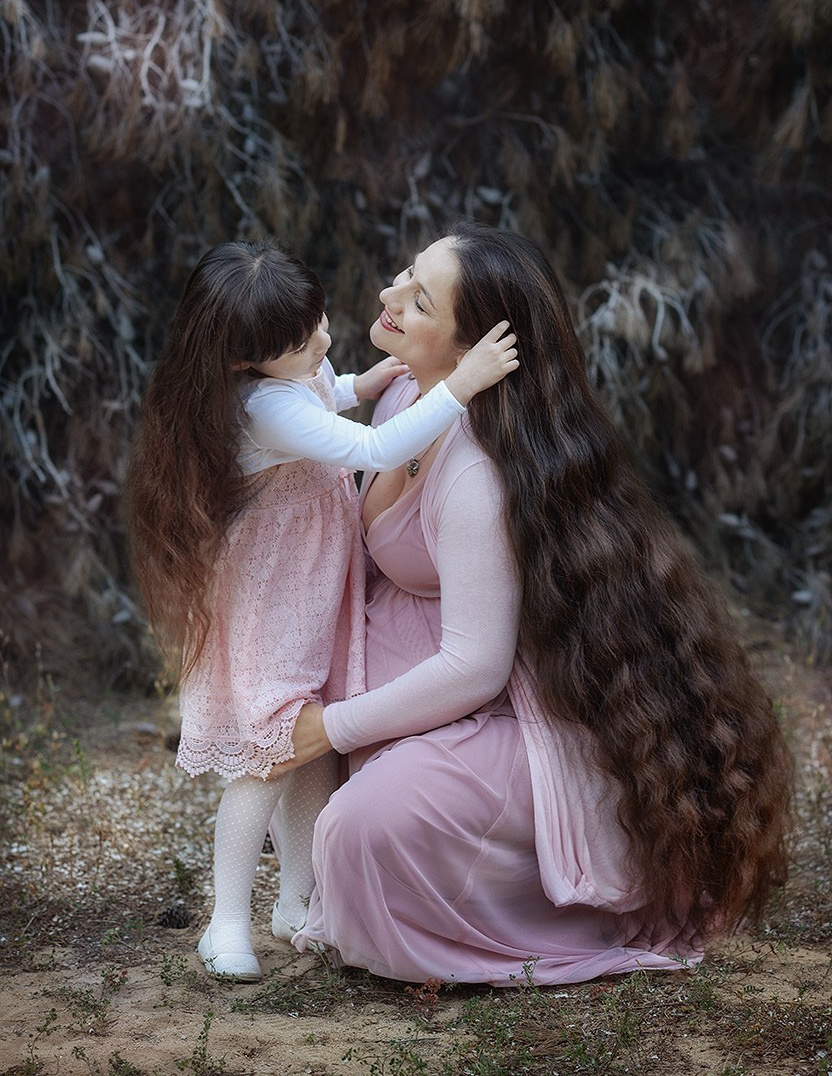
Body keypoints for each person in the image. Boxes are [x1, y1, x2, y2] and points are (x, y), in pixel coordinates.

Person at [270, 222, 791, 987]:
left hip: (510, 716)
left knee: (357, 829)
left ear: (469, 349)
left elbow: (476, 664)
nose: (387, 298)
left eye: (418, 301)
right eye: (405, 276)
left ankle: (533, 911)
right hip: (430, 687)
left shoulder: (474, 471)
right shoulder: (409, 396)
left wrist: (333, 726)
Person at [126, 238, 518, 982]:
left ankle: (298, 900)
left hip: (311, 584)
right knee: (275, 747)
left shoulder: (288, 375)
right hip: (277, 592)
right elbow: (373, 440)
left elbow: (328, 393)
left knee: (317, 745)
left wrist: (364, 377)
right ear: (245, 361)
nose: (323, 343)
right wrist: (459, 384)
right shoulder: (265, 403)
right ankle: (226, 919)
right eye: (303, 341)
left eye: (318, 324)